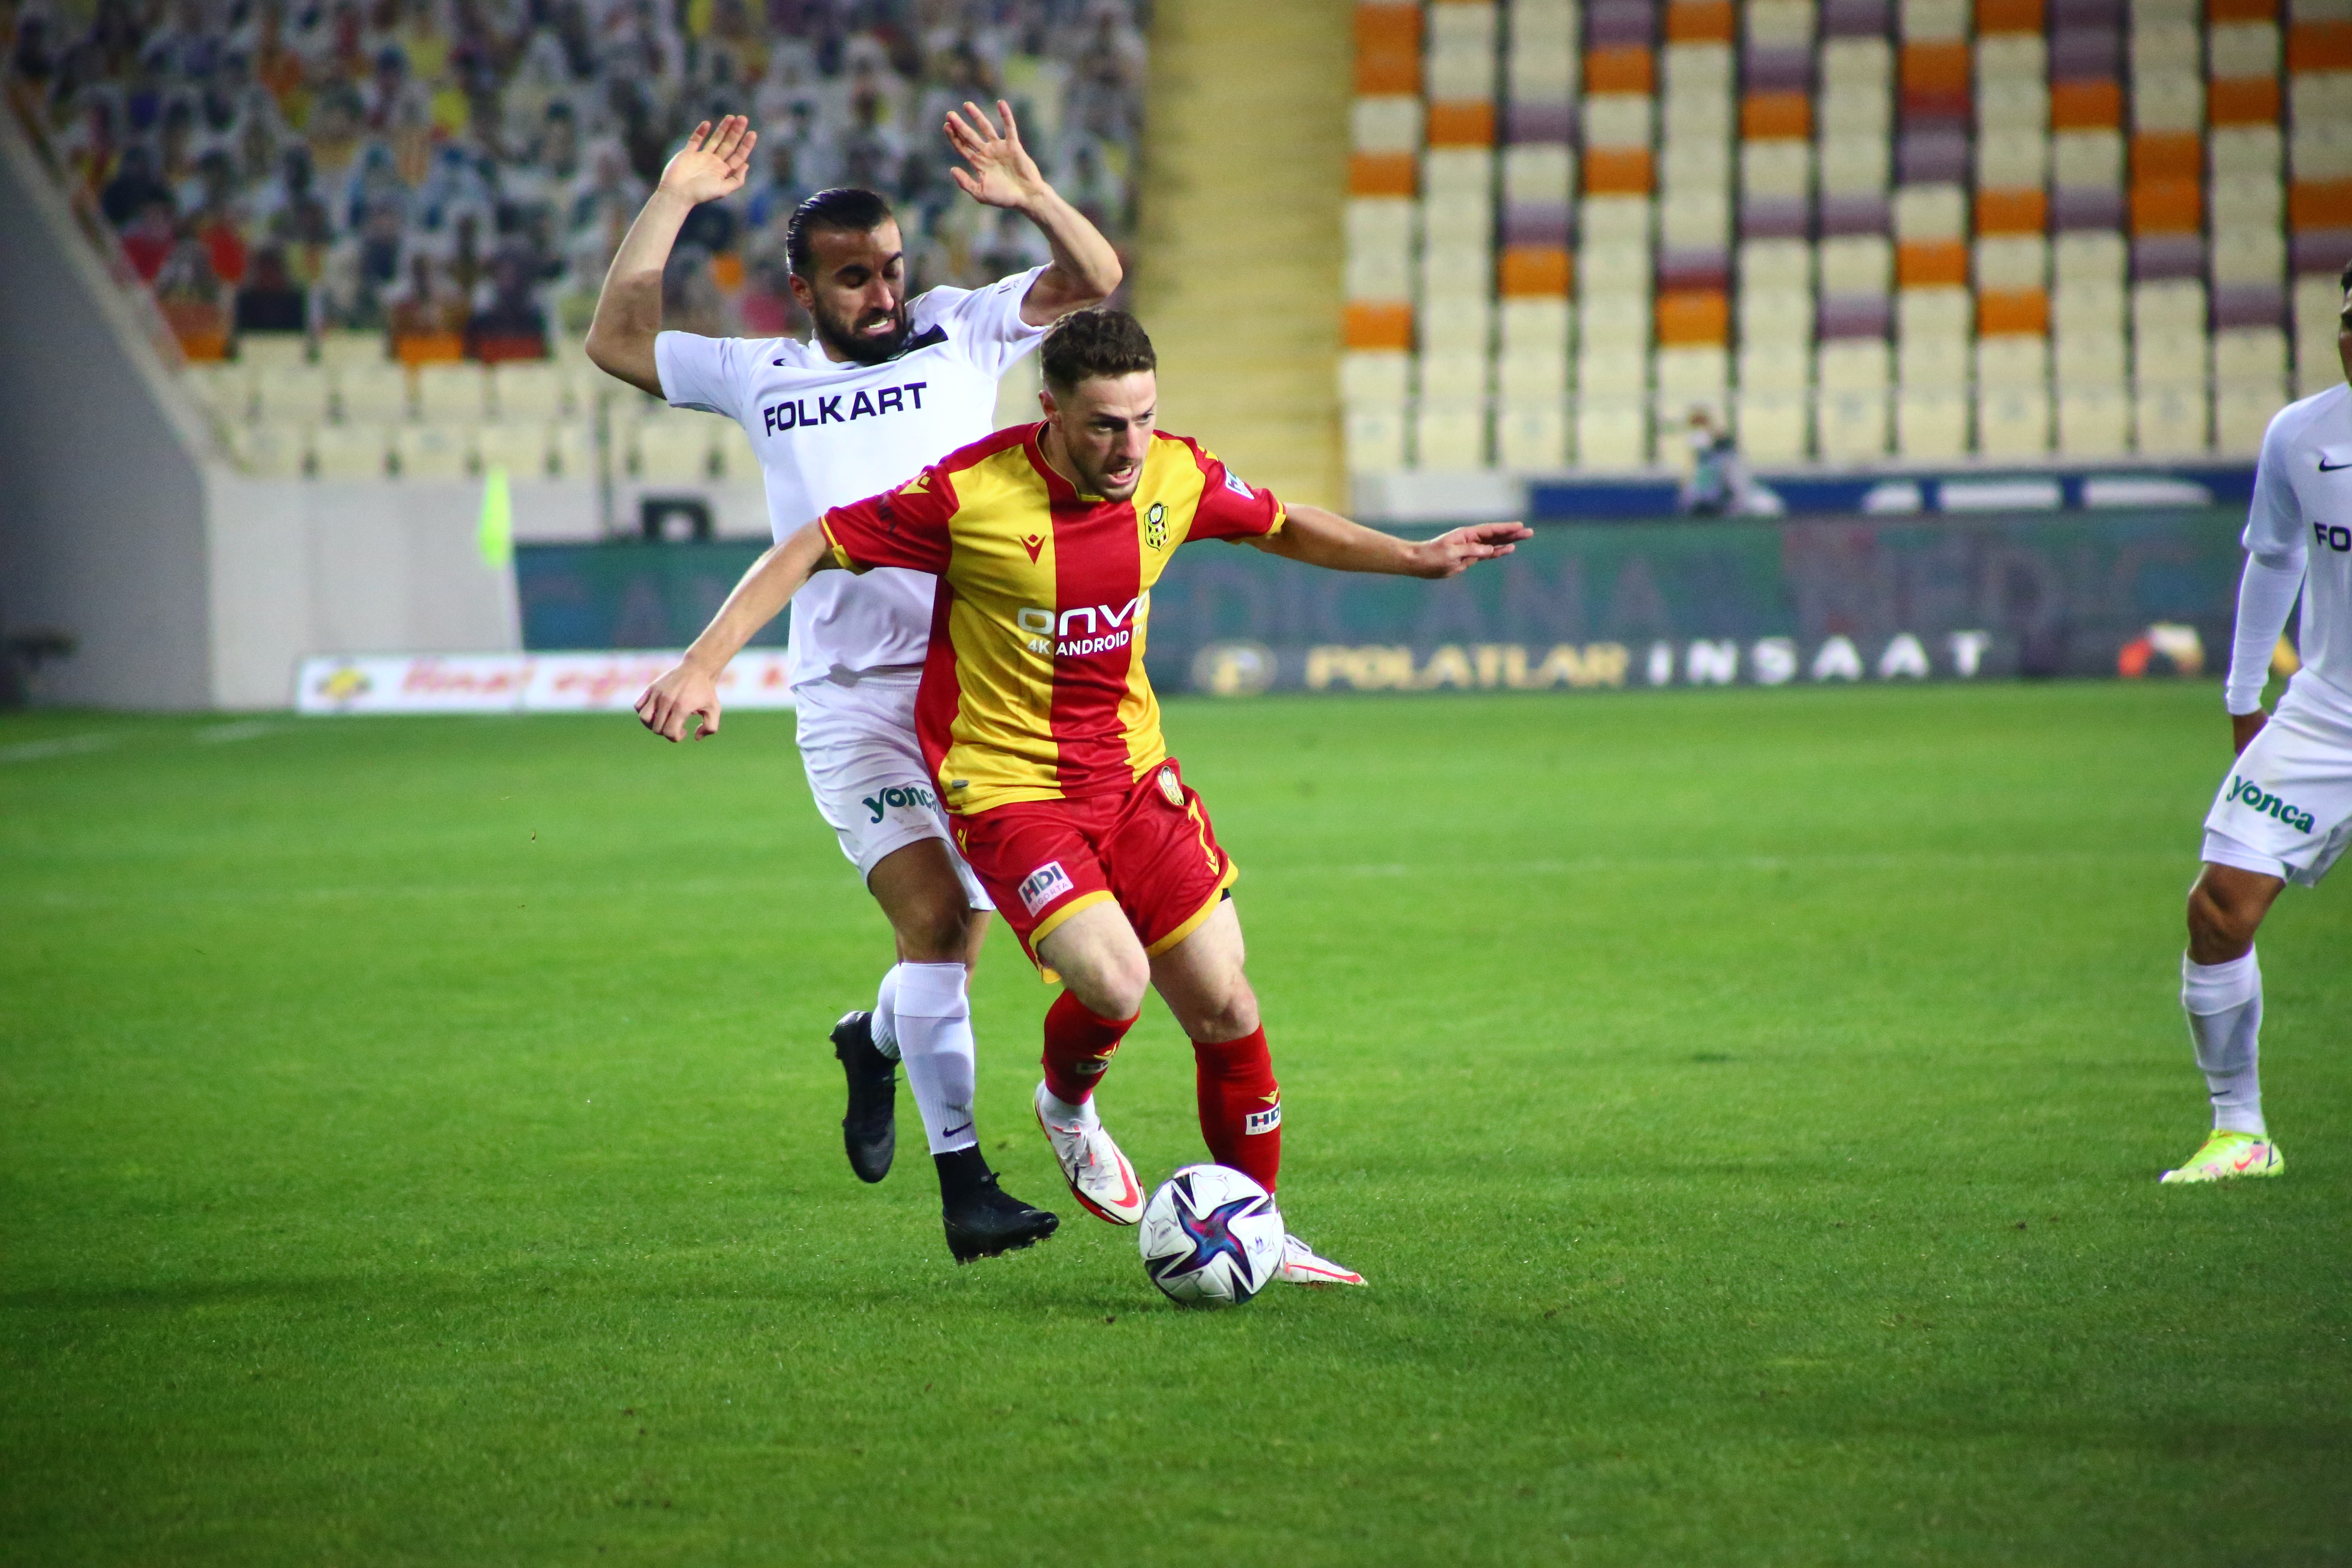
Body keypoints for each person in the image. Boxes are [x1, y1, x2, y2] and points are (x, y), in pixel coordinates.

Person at [633, 308, 1532, 1284]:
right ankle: (1065, 1106)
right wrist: (703, 664)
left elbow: (1280, 524)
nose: (1129, 445)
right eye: (1106, 424)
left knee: (1228, 1004)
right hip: (1009, 787)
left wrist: (1412, 557)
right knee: (1114, 984)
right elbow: (811, 543)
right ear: (1050, 409)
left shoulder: (1174, 474)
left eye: (1143, 418)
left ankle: (1259, 1227)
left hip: (1134, 776)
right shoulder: (971, 495)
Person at [584, 108, 1123, 1263]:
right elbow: (618, 341)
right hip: (852, 705)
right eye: (852, 280)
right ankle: (965, 1185)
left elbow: (1095, 278)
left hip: (982, 696)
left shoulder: (960, 331)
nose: (882, 297)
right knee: (933, 921)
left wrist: (1030, 192)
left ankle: (869, 1042)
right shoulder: (758, 373)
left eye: (890, 272)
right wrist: (673, 200)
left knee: (956, 946)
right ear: (800, 289)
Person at [2159, 259, 2352, 1185]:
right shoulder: (2304, 436)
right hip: (2327, 716)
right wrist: (2244, 699)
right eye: (2349, 317)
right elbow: (2271, 561)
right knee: (2218, 910)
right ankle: (2241, 1134)